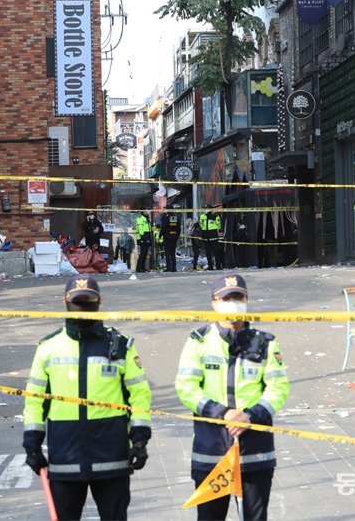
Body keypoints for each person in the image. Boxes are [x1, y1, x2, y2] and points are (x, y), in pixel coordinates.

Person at [22, 275, 152, 521]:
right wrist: (32, 444)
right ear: (65, 302)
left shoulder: (120, 346)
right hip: (65, 458)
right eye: (77, 301)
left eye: (88, 301)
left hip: (111, 457)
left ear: (100, 302)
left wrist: (140, 440)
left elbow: (139, 395)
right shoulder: (48, 348)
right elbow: (35, 400)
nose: (82, 307)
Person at [175, 274, 290, 520]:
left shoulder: (265, 343)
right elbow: (186, 387)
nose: (233, 302)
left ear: (247, 299)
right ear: (214, 303)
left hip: (255, 451)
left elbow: (278, 387)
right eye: (226, 298)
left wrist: (250, 416)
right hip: (212, 451)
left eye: (238, 296)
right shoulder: (199, 341)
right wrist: (223, 413)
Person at [199, 205, 222, 270]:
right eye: (204, 208)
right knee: (208, 253)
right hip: (205, 237)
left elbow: (219, 226)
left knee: (216, 252)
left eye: (206, 208)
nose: (205, 210)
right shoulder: (201, 216)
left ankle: (218, 266)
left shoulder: (215, 216)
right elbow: (201, 224)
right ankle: (210, 266)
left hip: (213, 237)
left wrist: (214, 231)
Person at [160, 204, 181, 272]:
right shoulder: (175, 217)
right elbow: (178, 228)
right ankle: (174, 268)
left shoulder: (165, 217)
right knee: (172, 253)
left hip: (167, 237)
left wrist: (160, 235)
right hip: (174, 237)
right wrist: (177, 236)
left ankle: (169, 268)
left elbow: (163, 227)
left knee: (167, 253)